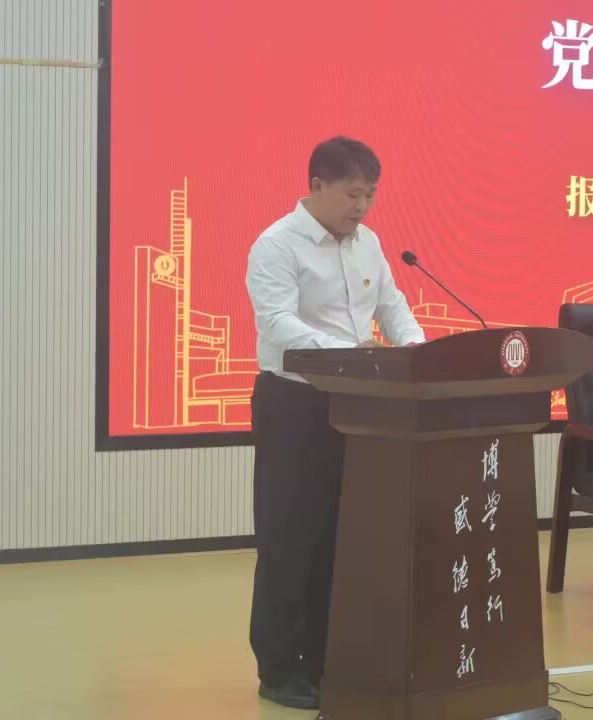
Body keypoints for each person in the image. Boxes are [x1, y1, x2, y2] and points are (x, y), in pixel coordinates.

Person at [245, 136, 425, 709]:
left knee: (341, 539)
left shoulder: (368, 243)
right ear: (317, 186)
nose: (362, 207)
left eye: (370, 195)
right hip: (295, 404)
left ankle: (326, 660)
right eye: (352, 194)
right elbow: (278, 324)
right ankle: (279, 670)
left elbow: (391, 306)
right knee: (290, 539)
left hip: (359, 405)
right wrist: (348, 356)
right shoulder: (277, 245)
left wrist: (416, 349)